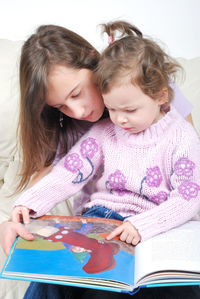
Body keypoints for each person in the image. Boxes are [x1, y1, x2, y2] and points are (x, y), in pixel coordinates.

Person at [0, 22, 199, 299]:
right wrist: (25, 205)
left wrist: (145, 225)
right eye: (60, 106)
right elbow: (65, 174)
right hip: (100, 219)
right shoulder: (102, 132)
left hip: (155, 226)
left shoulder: (179, 131)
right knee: (51, 276)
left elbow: (189, 193)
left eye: (76, 93)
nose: (78, 111)